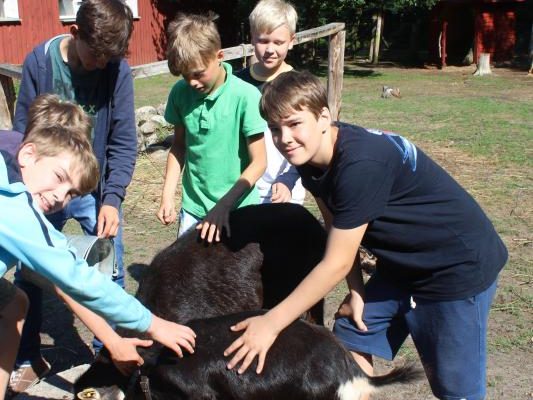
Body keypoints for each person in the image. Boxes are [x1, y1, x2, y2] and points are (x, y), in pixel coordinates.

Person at [223, 71, 507, 400]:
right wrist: (356, 291)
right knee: (351, 334)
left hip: (455, 268)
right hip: (401, 265)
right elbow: (335, 227)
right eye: (275, 128)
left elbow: (335, 263)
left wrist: (270, 323)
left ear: (324, 117)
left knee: (455, 388)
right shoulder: (309, 156)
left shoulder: (360, 164)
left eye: (294, 124)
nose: (284, 138)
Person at [0, 105, 196, 399]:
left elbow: (56, 269)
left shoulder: (10, 154)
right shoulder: (15, 206)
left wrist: (113, 340)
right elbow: (73, 276)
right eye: (60, 176)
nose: (60, 198)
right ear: (29, 152)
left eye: (71, 194)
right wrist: (152, 324)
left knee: (14, 303)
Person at [12, 0, 138, 386]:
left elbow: (123, 139)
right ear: (74, 33)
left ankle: (107, 359)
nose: (101, 65)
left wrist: (112, 199)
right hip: (44, 185)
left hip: (90, 191)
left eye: (108, 59)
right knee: (30, 270)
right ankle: (27, 356)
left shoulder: (115, 70)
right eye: (94, 55)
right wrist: (27, 195)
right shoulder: (40, 63)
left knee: (108, 267)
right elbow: (22, 131)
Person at [157, 13, 267, 242]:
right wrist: (167, 195)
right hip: (194, 209)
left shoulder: (245, 96)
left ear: (219, 56)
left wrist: (224, 205)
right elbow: (179, 147)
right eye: (185, 76)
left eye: (198, 74)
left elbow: (259, 162)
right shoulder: (180, 93)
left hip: (239, 208)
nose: (192, 82)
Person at [236, 0, 304, 204]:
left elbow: (309, 141)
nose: (270, 49)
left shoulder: (300, 86)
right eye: (263, 41)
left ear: (291, 41)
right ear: (252, 38)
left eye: (278, 42)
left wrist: (288, 179)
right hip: (242, 189)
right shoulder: (236, 83)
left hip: (285, 190)